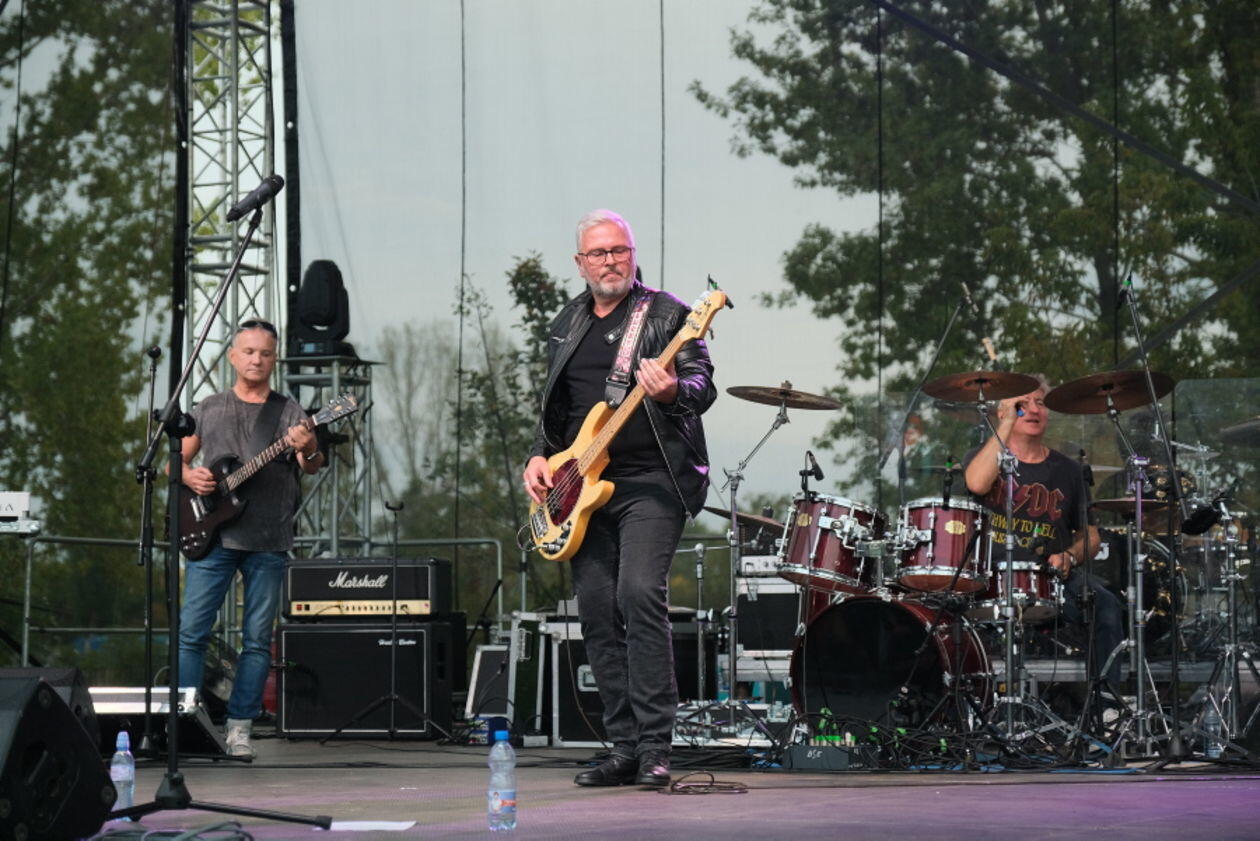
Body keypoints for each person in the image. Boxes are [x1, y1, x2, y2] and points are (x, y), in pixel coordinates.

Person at [523, 210, 716, 787]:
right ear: (580, 263)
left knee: (637, 593)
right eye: (599, 253)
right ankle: (624, 746)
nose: (610, 261)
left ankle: (657, 747)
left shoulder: (666, 314)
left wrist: (673, 390)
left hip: (652, 480)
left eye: (619, 251)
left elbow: (701, 383)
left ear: (633, 255)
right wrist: (538, 456)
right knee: (597, 612)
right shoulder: (566, 323)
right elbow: (555, 412)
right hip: (580, 486)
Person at [176, 319, 324, 758]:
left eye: (265, 353)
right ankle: (186, 722)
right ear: (232, 356)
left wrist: (308, 444)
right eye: (249, 351)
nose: (257, 359)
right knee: (191, 634)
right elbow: (173, 463)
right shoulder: (209, 407)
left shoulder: (290, 411)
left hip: (268, 540)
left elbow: (312, 464)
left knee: (257, 641)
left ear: (274, 359)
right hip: (212, 536)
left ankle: (239, 729)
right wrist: (188, 475)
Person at [962, 380, 1125, 689]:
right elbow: (977, 484)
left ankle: (1106, 703)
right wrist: (1006, 423)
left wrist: (1070, 556)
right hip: (990, 578)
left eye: (1040, 402)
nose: (1034, 410)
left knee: (1105, 604)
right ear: (1003, 411)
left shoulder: (1069, 470)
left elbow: (1091, 537)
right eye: (1023, 404)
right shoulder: (982, 456)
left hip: (1050, 579)